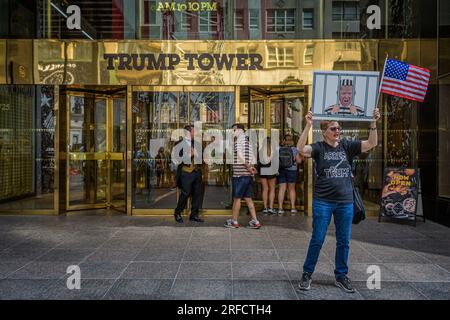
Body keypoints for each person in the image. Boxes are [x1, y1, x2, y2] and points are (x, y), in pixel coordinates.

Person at [297, 107, 380, 293]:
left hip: (345, 202)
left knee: (344, 240)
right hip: (323, 201)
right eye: (333, 129)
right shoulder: (319, 148)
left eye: (338, 128)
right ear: (324, 131)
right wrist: (307, 126)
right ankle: (307, 274)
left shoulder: (347, 146)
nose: (337, 131)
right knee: (317, 239)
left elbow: (372, 143)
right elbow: (301, 149)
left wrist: (373, 122)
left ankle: (341, 275)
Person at [224, 123, 261, 229]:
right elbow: (253, 156)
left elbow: (240, 155)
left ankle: (234, 221)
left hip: (239, 176)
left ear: (240, 130)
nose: (233, 132)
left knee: (237, 199)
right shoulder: (248, 143)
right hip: (248, 176)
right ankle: (255, 221)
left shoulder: (238, 142)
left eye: (234, 130)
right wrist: (252, 167)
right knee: (248, 198)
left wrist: (248, 166)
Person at [173, 125, 204, 223]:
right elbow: (178, 159)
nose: (195, 133)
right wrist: (190, 155)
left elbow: (201, 158)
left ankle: (193, 215)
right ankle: (177, 212)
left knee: (197, 194)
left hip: (196, 172)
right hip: (185, 173)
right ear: (188, 132)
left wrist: (198, 155)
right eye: (193, 131)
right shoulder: (179, 144)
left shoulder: (197, 144)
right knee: (185, 193)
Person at [277, 134, 303, 216]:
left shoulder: (278, 149)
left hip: (281, 170)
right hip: (292, 170)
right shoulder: (295, 149)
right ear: (292, 141)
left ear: (284, 141)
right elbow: (299, 161)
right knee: (291, 189)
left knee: (282, 189)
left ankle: (280, 208)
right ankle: (293, 208)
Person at [257, 138, 278, 216]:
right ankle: (271, 208)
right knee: (272, 189)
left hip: (262, 169)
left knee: (265, 189)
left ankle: (265, 208)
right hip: (271, 169)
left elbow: (258, 161)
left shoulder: (261, 150)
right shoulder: (273, 150)